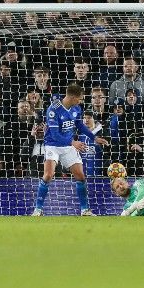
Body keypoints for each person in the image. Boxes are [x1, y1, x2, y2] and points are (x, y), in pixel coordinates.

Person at [31, 83, 109, 216]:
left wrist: (93, 138)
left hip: (68, 146)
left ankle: (85, 210)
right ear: (72, 97)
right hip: (52, 145)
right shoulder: (53, 110)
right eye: (79, 98)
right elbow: (55, 135)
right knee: (48, 175)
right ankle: (38, 210)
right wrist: (73, 142)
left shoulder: (76, 108)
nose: (80, 101)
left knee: (80, 176)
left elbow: (79, 124)